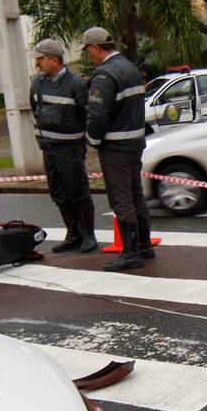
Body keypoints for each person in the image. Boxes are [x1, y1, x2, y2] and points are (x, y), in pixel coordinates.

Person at [81, 27, 155, 271]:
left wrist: (92, 138)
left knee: (121, 197)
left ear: (95, 47)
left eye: (88, 50)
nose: (88, 55)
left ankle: (130, 252)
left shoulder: (104, 75)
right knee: (135, 195)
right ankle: (144, 246)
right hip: (135, 143)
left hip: (115, 146)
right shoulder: (130, 69)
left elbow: (98, 114)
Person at [29, 38, 97, 254]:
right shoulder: (38, 83)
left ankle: (88, 234)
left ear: (54, 59)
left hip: (70, 149)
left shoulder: (75, 84)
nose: (37, 63)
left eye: (41, 58)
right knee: (58, 193)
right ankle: (73, 234)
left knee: (78, 191)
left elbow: (86, 114)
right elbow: (34, 109)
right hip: (49, 149)